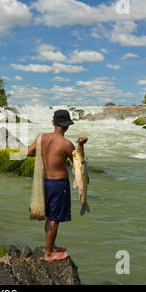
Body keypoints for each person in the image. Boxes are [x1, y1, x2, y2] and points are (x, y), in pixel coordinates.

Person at [27, 109, 88, 262]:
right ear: (67, 126)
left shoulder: (42, 138)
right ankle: (48, 253)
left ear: (53, 123)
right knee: (54, 219)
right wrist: (81, 145)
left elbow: (28, 152)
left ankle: (51, 246)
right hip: (60, 185)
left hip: (45, 183)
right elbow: (79, 163)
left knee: (50, 217)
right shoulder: (67, 144)